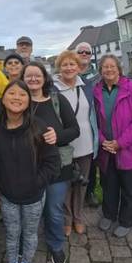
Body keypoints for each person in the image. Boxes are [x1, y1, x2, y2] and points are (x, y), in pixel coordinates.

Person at [0, 80, 60, 263]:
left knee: (30, 233)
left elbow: (53, 164)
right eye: (11, 93)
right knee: (12, 233)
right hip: (7, 195)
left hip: (33, 195)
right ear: (2, 99)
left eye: (22, 94)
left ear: (28, 100)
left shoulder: (39, 128)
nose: (16, 98)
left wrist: (36, 182)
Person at [22, 61, 80, 263]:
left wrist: (58, 136)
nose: (33, 79)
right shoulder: (18, 101)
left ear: (44, 77)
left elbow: (74, 130)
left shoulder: (57, 100)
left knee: (53, 209)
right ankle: (28, 244)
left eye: (37, 75)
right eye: (28, 75)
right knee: (31, 211)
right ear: (22, 79)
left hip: (57, 167)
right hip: (27, 167)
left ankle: (56, 245)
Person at [93, 55, 132, 238]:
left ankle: (127, 220)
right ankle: (109, 214)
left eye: (112, 66)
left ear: (119, 69)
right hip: (107, 149)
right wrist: (104, 140)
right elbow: (93, 119)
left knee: (131, 187)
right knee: (109, 185)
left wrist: (120, 143)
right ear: (100, 71)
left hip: (131, 148)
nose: (109, 70)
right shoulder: (97, 91)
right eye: (105, 67)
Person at [53, 50, 99, 236]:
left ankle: (78, 216)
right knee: (65, 183)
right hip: (63, 145)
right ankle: (67, 218)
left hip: (86, 142)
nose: (69, 68)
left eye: (72, 64)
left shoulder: (86, 87)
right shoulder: (53, 89)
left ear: (79, 67)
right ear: (59, 68)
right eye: (65, 64)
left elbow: (93, 114)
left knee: (81, 183)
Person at [75, 42, 100, 208]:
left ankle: (89, 191)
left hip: (94, 122)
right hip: (75, 121)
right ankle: (73, 193)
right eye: (81, 51)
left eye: (87, 52)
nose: (84, 54)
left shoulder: (98, 76)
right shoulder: (69, 72)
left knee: (91, 160)